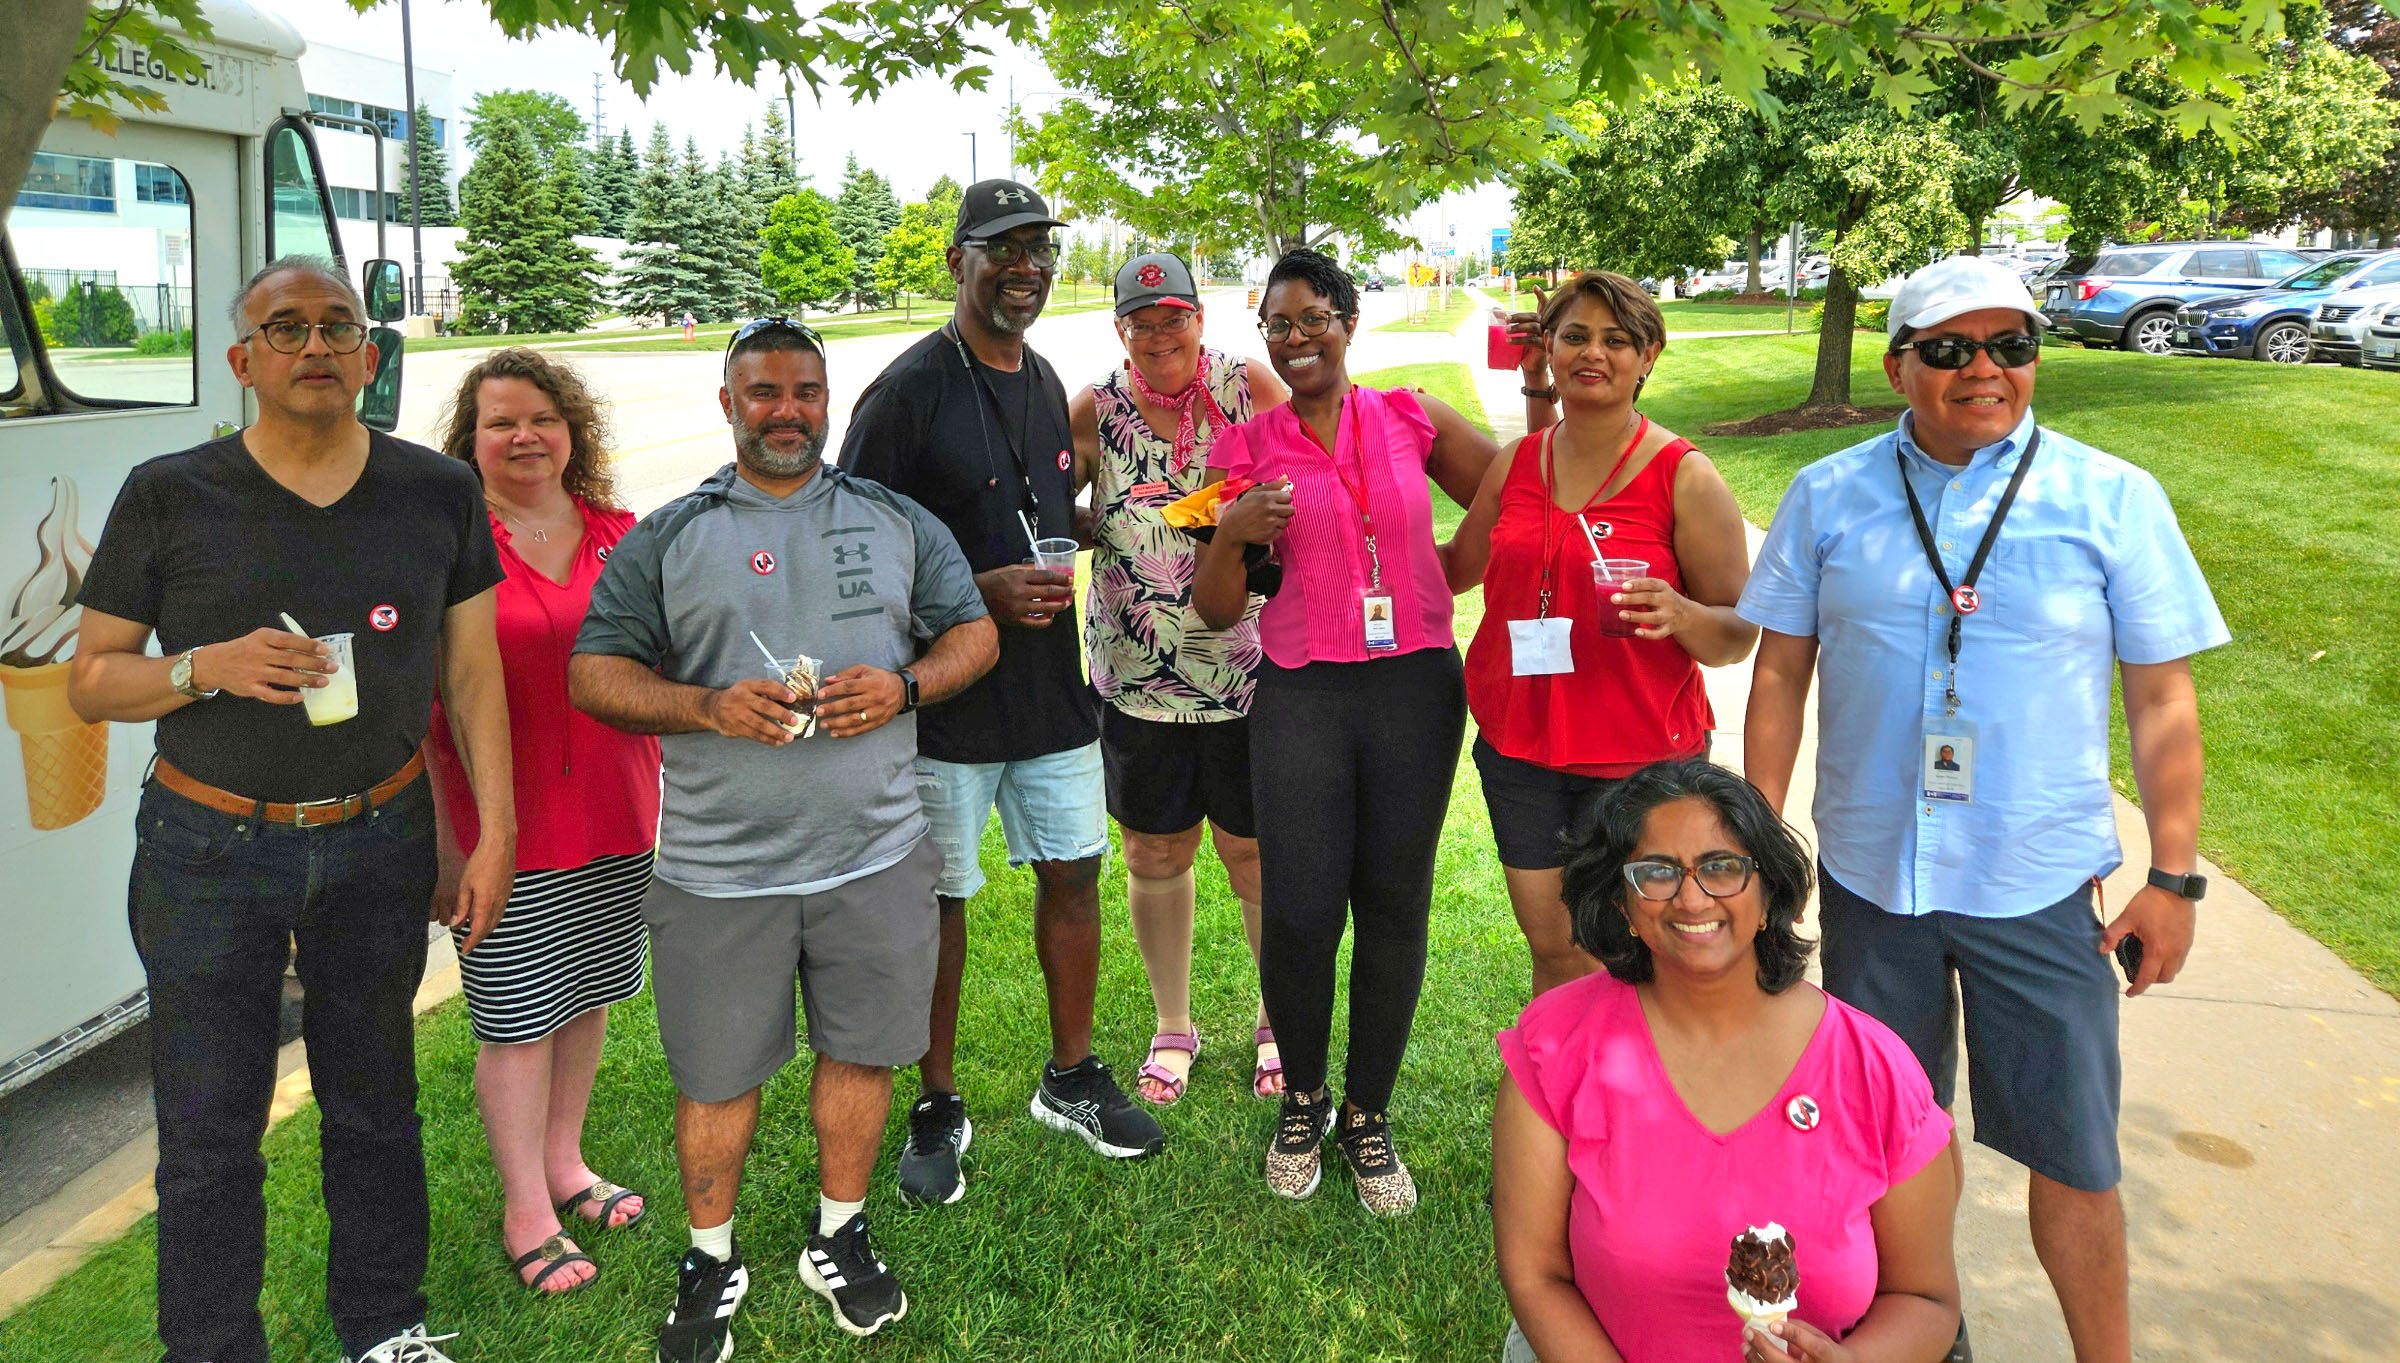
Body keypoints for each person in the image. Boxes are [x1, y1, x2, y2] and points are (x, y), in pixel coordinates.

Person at [1739, 255, 2229, 1363]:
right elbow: (1779, 674)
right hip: (1875, 881)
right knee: (1893, 1146)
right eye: (1951, 349)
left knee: (2075, 1155)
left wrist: (2174, 876)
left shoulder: (2112, 497)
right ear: (1897, 365)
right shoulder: (1827, 494)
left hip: (2037, 881)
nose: (1985, 369)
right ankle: (1928, 1336)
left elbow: (2162, 698)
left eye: (2012, 344)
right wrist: (1760, 843)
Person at [67, 256, 513, 1363]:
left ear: (369, 354)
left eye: (337, 325)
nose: (314, 344)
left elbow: (472, 678)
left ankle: (385, 1325)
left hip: (380, 834)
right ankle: (214, 1347)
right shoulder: (170, 492)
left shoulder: (437, 490)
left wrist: (490, 834)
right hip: (207, 848)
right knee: (208, 1130)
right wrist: (203, 666)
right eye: (285, 327)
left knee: (376, 1103)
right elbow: (92, 681)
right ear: (242, 359)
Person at [573, 318, 998, 1351]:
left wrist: (905, 686)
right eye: (763, 392)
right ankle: (709, 1256)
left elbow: (974, 631)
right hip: (721, 870)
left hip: (876, 855)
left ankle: (838, 1232)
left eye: (805, 391)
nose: (786, 411)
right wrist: (706, 706)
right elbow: (594, 673)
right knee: (717, 1077)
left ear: (826, 400)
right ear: (729, 404)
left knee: (862, 1053)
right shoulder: (672, 535)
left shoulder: (892, 518)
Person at [839, 178, 1165, 1205]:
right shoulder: (905, 392)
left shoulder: (1043, 378)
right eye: (1003, 248)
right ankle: (936, 1099)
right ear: (958, 261)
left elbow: (1037, 504)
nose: (1026, 267)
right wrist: (974, 591)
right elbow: (852, 552)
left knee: (1073, 872)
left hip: (1049, 689)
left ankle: (1070, 1076)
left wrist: (1095, 523)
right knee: (939, 899)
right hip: (946, 701)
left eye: (1040, 249)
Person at [1194, 248, 1499, 1214]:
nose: (1296, 338)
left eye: (1313, 318)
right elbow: (1213, 609)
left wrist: (1445, 569)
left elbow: (1511, 489)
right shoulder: (1246, 446)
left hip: (1415, 688)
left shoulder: (1411, 415)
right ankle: (1304, 1099)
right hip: (1303, 692)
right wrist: (1235, 530)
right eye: (1278, 325)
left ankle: (1368, 1112)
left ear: (1348, 323)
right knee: (1300, 908)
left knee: (1395, 902)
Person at [1493, 759, 1960, 1363]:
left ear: (1769, 895)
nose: (1691, 897)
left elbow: (1927, 1298)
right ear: (1622, 904)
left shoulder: (1873, 1068)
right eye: (1656, 872)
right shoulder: (1557, 1045)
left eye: (1722, 867)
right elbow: (1535, 1274)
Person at [421, 348, 662, 1294]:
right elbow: (427, 707)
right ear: (470, 440)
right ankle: (527, 1208)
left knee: (586, 996)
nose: (525, 436)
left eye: (543, 419)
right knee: (517, 1021)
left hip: (618, 809)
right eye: (501, 422)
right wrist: (451, 843)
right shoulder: (451, 542)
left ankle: (566, 1163)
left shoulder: (620, 534)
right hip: (503, 831)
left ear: (572, 431)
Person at [1448, 270, 1758, 998]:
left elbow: (1737, 634)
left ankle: (1640, 1074)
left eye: (1616, 340)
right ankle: (1563, 1069)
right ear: (1549, 348)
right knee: (1554, 947)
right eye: (1575, 335)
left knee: (1631, 953)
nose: (1593, 352)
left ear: (1647, 356)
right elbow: (1456, 567)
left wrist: (1680, 613)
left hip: (1639, 757)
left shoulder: (1684, 474)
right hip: (1520, 746)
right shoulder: (1518, 463)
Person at [1068, 251, 1291, 1105]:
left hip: (1247, 671)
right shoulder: (1095, 407)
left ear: (1200, 318)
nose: (1160, 334)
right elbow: (1049, 499)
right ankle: (1173, 1024)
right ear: (1120, 328)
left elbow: (1304, 478)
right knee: (1154, 850)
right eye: (1142, 321)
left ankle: (1277, 1019)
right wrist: (1092, 527)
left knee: (1255, 854)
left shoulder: (1247, 385)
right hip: (1137, 677)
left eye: (1175, 318)